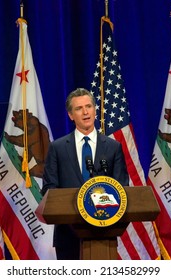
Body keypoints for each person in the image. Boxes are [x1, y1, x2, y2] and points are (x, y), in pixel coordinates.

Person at [41, 88, 129, 260]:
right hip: (68, 236)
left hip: (104, 234)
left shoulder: (113, 147)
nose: (85, 112)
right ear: (71, 115)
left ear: (95, 110)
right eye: (79, 108)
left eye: (89, 106)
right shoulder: (57, 148)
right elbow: (49, 190)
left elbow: (122, 188)